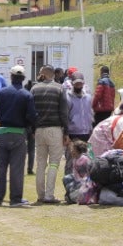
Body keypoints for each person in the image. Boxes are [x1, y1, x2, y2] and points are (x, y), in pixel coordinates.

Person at [0, 65, 36, 207]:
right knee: (17, 168)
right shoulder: (27, 95)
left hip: (2, 133)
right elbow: (32, 116)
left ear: (11, 77)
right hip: (19, 134)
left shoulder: (0, 93)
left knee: (0, 167)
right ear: (23, 79)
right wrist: (30, 129)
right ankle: (15, 199)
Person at [31, 65, 70, 204]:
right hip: (55, 130)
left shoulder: (34, 89)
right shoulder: (59, 88)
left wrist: (32, 130)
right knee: (54, 163)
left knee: (41, 164)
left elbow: (31, 111)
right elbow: (64, 113)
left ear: (42, 74)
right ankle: (49, 195)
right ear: (53, 74)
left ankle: (40, 195)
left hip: (39, 130)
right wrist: (66, 131)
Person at [66, 71, 94, 146]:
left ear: (83, 83)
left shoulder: (88, 97)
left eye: (80, 83)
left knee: (85, 156)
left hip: (86, 132)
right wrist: (66, 133)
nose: (78, 86)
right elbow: (65, 116)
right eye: (76, 83)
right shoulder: (68, 98)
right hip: (73, 133)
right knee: (73, 156)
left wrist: (91, 128)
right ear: (72, 83)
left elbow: (90, 113)